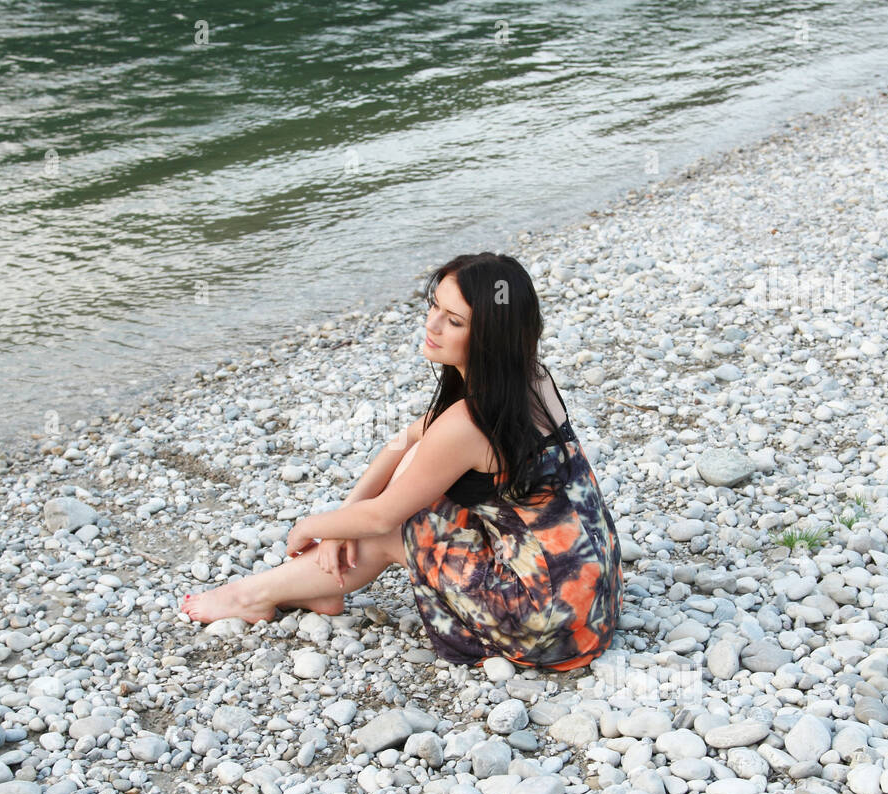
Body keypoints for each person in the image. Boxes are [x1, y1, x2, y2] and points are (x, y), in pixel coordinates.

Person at [182, 251, 623, 671]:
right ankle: (316, 590)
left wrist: (313, 527)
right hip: (591, 592)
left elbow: (380, 519)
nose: (431, 324)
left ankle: (252, 596)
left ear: (489, 337)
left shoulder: (469, 423)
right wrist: (344, 517)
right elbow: (410, 436)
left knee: (397, 527)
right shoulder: (529, 378)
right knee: (409, 481)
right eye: (434, 306)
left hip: (547, 625)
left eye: (453, 321)